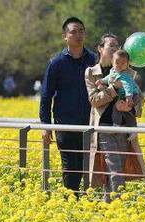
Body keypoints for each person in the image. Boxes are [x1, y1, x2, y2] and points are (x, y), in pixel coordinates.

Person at [85, 34, 145, 203]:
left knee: (116, 168)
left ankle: (110, 206)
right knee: (114, 169)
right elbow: (94, 100)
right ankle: (119, 205)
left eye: (117, 45)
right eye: (111, 45)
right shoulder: (92, 73)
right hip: (105, 128)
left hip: (123, 126)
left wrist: (129, 104)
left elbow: (139, 99)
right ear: (100, 49)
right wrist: (113, 88)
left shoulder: (127, 71)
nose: (115, 48)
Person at [39, 17, 97, 193]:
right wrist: (46, 125)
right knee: (71, 170)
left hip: (91, 125)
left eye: (81, 31)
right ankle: (71, 203)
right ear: (65, 36)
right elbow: (46, 96)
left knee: (90, 169)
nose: (78, 35)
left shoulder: (94, 60)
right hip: (66, 125)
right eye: (73, 31)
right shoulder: (56, 63)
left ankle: (86, 206)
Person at [95, 49, 141, 137]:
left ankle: (129, 128)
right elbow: (108, 78)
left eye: (123, 63)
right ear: (112, 62)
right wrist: (101, 81)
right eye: (117, 62)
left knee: (127, 111)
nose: (120, 65)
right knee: (119, 109)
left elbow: (128, 86)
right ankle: (118, 125)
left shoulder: (125, 75)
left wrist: (129, 97)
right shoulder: (113, 72)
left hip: (132, 95)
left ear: (127, 64)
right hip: (124, 96)